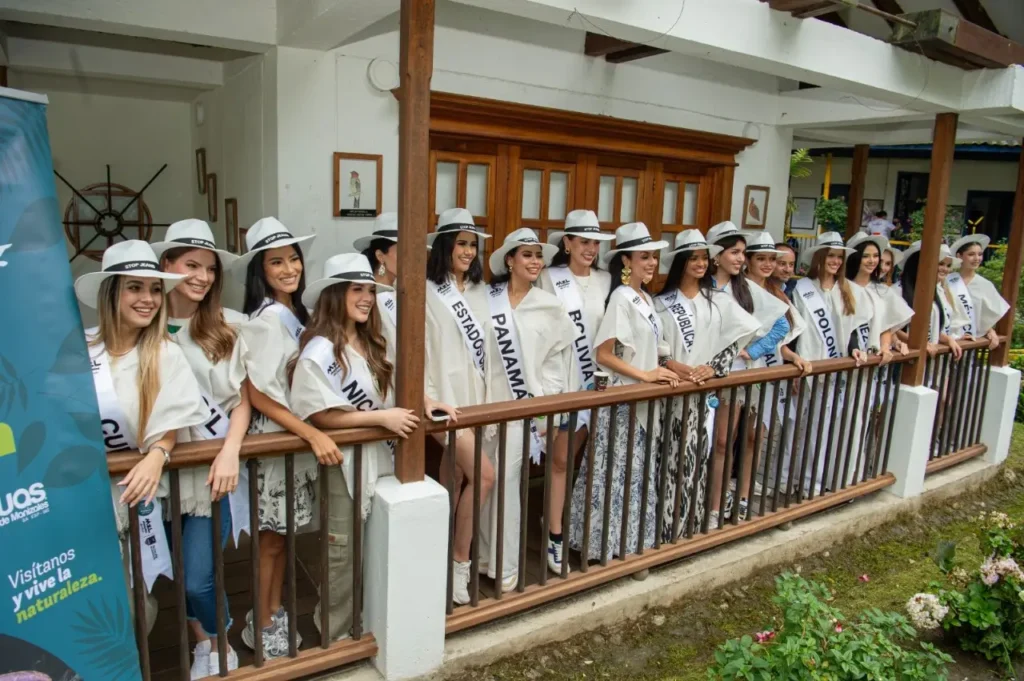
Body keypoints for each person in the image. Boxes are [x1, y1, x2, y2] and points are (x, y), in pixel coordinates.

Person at [290, 253, 458, 641]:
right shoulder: (319, 349)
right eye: (357, 290)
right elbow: (320, 416)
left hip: (380, 457)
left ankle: (367, 626)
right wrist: (378, 419)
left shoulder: (371, 341)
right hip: (342, 463)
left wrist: (426, 402)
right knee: (342, 555)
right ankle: (334, 637)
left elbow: (395, 390)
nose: (367, 297)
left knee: (377, 545)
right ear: (335, 294)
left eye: (370, 290)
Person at [74, 241, 208, 648]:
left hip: (134, 498)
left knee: (134, 602)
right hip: (81, 497)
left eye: (153, 289)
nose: (147, 299)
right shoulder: (79, 348)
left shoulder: (165, 353)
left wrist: (157, 454)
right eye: (135, 288)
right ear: (111, 292)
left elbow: (173, 418)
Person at [235, 218, 340, 657]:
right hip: (276, 440)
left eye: (293, 258)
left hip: (295, 438)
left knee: (283, 538)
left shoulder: (300, 314)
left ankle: (272, 609)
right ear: (260, 271)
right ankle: (261, 620)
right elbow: (256, 393)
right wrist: (309, 434)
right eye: (276, 262)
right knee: (272, 540)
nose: (289, 268)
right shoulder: (263, 320)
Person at [153, 220, 249, 676]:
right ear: (167, 265)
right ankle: (203, 646)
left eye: (209, 269)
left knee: (198, 575)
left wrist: (230, 451)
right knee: (178, 571)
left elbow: (241, 403)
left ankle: (223, 640)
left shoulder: (225, 327)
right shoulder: (143, 325)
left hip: (210, 468)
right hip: (159, 472)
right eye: (191, 265)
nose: (203, 277)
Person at [568, 222, 680, 560]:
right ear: (627, 261)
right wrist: (644, 375)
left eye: (654, 257)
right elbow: (603, 353)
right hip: (623, 401)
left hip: (643, 399)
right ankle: (604, 547)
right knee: (614, 477)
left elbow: (659, 350)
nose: (651, 263)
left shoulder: (644, 297)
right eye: (644, 257)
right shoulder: (621, 296)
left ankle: (629, 543)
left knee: (635, 475)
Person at [483, 229, 579, 585]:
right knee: (484, 483)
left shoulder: (551, 306)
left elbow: (558, 364)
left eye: (538, 255)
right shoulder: (486, 298)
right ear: (510, 260)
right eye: (526, 254)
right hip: (485, 406)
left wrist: (546, 412)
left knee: (507, 482)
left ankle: (506, 570)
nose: (535, 261)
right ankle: (481, 559)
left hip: (524, 409)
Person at [654, 230, 760, 540]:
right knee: (668, 459)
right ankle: (665, 528)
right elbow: (655, 348)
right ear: (681, 262)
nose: (701, 263)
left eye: (704, 257)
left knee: (698, 456)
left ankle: (692, 523)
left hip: (702, 394)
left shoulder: (718, 300)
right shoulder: (661, 302)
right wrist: (674, 366)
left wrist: (712, 368)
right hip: (670, 391)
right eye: (694, 257)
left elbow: (743, 334)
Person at [424, 208, 496, 605]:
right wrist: (428, 396)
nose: (468, 252)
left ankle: (435, 555)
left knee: (452, 475)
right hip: (442, 401)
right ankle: (459, 561)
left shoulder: (484, 293)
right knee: (484, 477)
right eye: (461, 244)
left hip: (476, 399)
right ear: (444, 247)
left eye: (473, 245)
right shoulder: (426, 291)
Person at [537, 209, 615, 573]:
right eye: (583, 241)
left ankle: (569, 524)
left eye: (595, 242)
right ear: (566, 242)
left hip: (595, 383)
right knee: (559, 460)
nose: (590, 248)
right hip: (559, 380)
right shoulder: (549, 278)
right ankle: (553, 533)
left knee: (580, 461)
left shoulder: (605, 280)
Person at [704, 223, 793, 523]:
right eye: (735, 252)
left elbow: (782, 325)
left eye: (743, 253)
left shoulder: (746, 289)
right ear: (717, 255)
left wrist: (750, 352)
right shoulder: (701, 287)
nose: (740, 259)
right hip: (700, 378)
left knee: (723, 442)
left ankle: (717, 506)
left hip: (735, 379)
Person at [791, 232, 872, 495]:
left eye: (839, 257)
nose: (835, 261)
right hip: (808, 366)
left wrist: (857, 349)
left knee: (830, 426)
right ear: (819, 257)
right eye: (831, 256)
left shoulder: (848, 290)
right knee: (805, 427)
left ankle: (825, 479)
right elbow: (793, 330)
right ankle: (801, 480)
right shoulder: (801, 289)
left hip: (837, 368)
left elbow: (854, 329)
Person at [845, 233, 912, 360]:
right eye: (866, 256)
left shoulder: (883, 291)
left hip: (873, 359)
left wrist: (885, 346)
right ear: (855, 257)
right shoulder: (842, 287)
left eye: (876, 256)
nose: (872, 261)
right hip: (848, 357)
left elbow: (886, 325)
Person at [897, 242, 966, 360]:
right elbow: (890, 329)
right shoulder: (897, 291)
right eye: (940, 263)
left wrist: (948, 339)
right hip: (904, 358)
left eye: (948, 266)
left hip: (929, 359)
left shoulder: (933, 292)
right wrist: (918, 343)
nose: (945, 269)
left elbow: (932, 328)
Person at [949, 234, 1009, 349]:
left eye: (980, 254)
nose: (977, 258)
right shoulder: (948, 281)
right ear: (959, 256)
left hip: (970, 342)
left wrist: (990, 329)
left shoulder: (985, 285)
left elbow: (986, 316)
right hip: (947, 340)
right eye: (971, 254)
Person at [354, 212, 399, 349]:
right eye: (401, 251)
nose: (410, 258)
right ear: (380, 256)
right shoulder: (368, 298)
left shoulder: (400, 291)